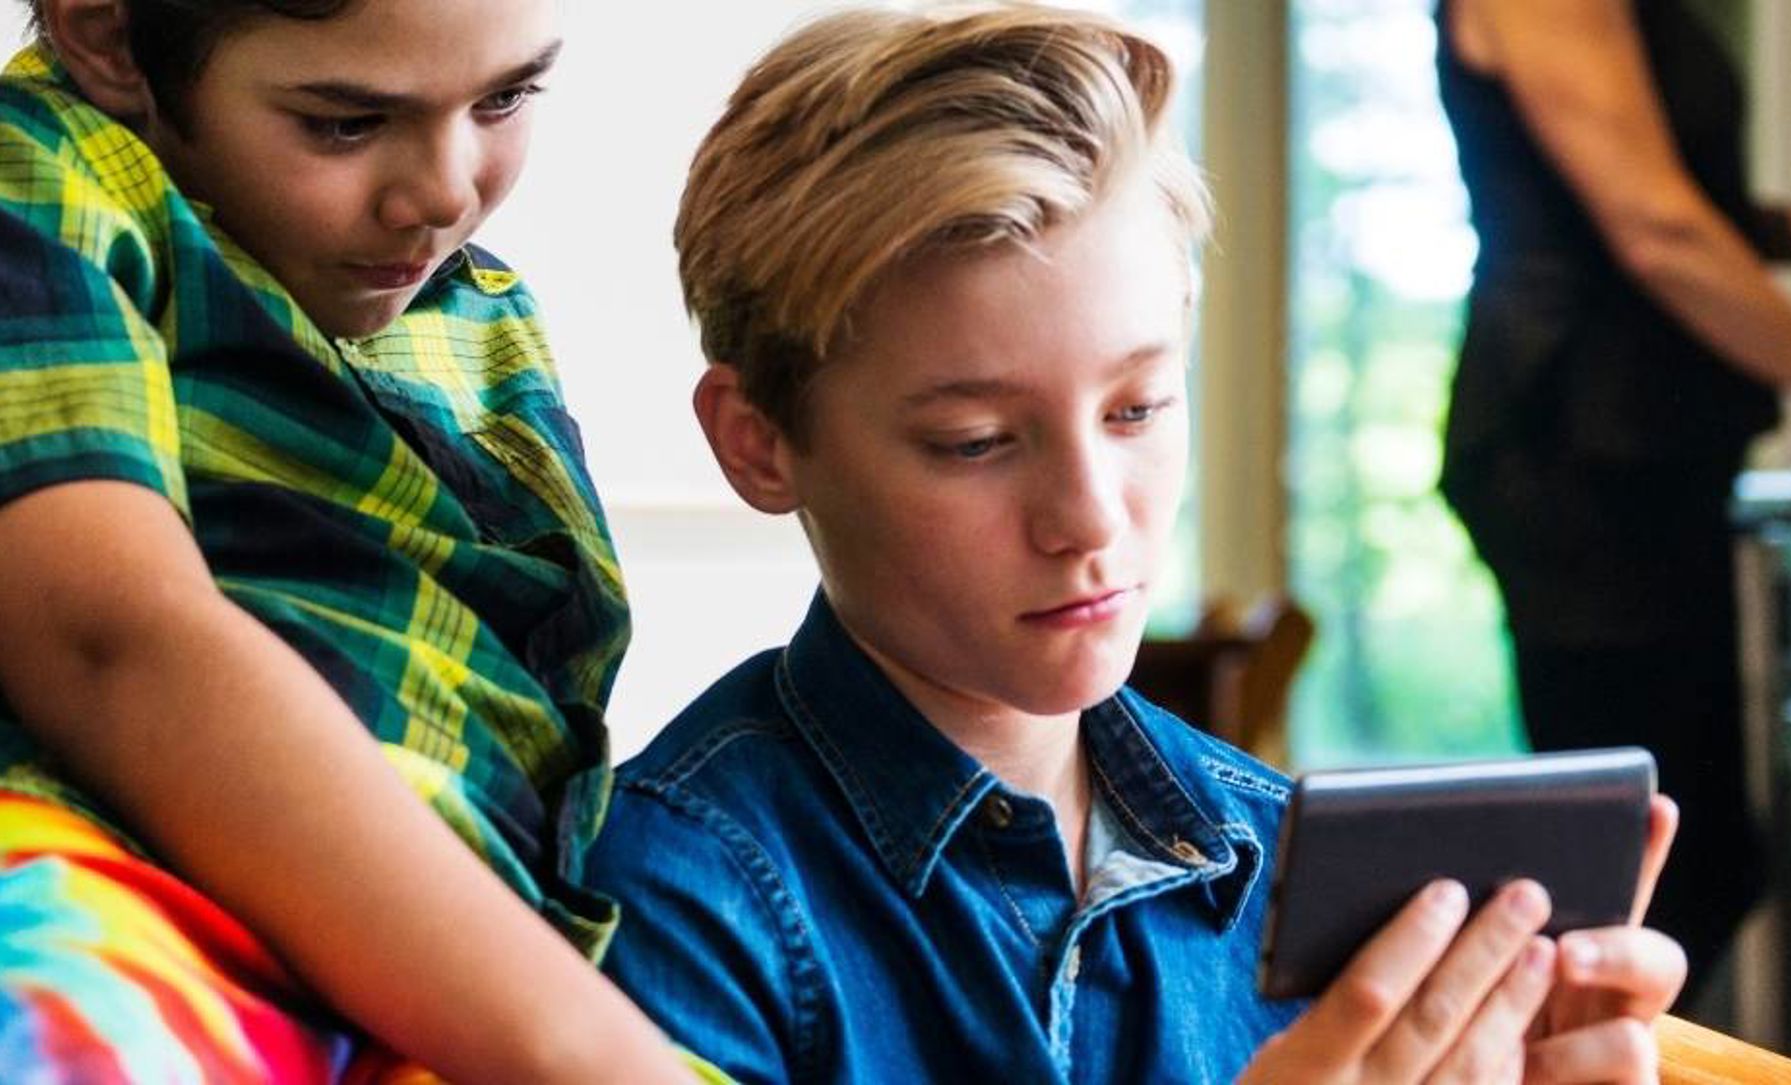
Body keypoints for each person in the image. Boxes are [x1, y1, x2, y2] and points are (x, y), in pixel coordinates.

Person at [586, 6, 1686, 1082]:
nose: (1092, 515)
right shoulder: (675, 898)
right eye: (974, 442)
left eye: (1139, 409)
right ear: (760, 442)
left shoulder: (1288, 866)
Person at [0, 1, 718, 1080]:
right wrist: (585, 1045)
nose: (442, 192)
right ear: (107, 35)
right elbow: (109, 642)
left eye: (505, 97)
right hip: (118, 881)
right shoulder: (43, 168)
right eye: (344, 123)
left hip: (430, 967)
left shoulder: (478, 314)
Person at [1434, 0, 1791, 1007]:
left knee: (1690, 859)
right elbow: (1654, 227)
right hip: (1583, 453)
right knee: (1642, 872)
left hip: (1637, 445)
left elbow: (1657, 189)